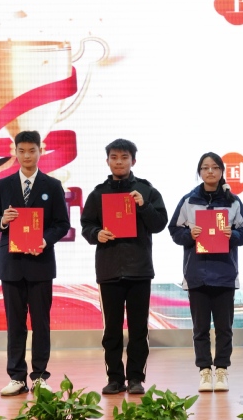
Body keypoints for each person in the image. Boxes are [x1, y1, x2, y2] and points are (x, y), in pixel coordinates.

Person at [0, 130, 70, 396]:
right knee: (15, 323)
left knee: (41, 323)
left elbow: (62, 224)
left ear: (40, 151)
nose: (27, 156)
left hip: (40, 263)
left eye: (32, 150)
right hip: (11, 264)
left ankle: (40, 376)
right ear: (15, 152)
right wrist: (3, 220)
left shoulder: (52, 186)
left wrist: (45, 240)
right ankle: (17, 377)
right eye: (21, 151)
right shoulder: (3, 185)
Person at [80, 139, 168, 395]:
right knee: (112, 329)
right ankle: (115, 378)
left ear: (133, 161)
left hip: (139, 270)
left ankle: (136, 378)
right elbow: (86, 225)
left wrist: (144, 205)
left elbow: (159, 224)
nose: (119, 162)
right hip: (109, 270)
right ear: (107, 161)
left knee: (139, 329)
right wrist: (96, 234)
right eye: (114, 157)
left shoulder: (146, 190)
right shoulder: (98, 194)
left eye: (124, 157)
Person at [168, 152, 243, 393]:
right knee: (200, 328)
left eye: (215, 167)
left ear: (222, 171)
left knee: (225, 328)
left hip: (224, 273)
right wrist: (189, 235)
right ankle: (204, 371)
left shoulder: (233, 201)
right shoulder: (189, 200)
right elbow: (174, 230)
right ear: (200, 172)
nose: (210, 171)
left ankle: (222, 369)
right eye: (205, 168)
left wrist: (232, 235)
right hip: (197, 274)